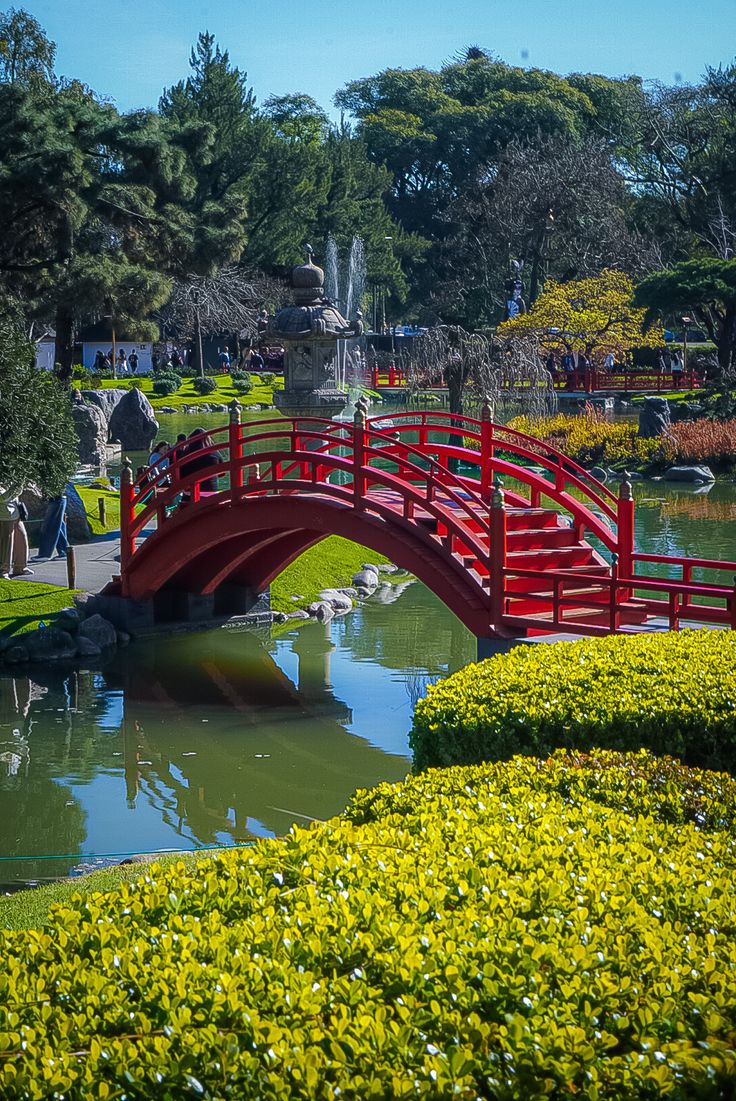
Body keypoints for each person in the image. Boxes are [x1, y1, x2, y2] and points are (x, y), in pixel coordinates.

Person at [0, 487, 32, 579]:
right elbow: (2, 498)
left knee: (22, 539)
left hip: (16, 513)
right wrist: (15, 489)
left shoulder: (11, 478)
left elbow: (15, 494)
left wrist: (19, 485)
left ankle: (21, 567)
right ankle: (3, 570)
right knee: (7, 544)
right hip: (4, 516)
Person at [181, 428, 223, 496]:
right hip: (211, 493)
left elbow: (181, 475)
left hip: (191, 494)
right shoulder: (215, 453)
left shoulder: (187, 454)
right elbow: (222, 473)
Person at [36, 495, 68, 561]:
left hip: (56, 497)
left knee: (50, 524)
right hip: (58, 497)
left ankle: (45, 554)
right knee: (57, 523)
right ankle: (64, 551)